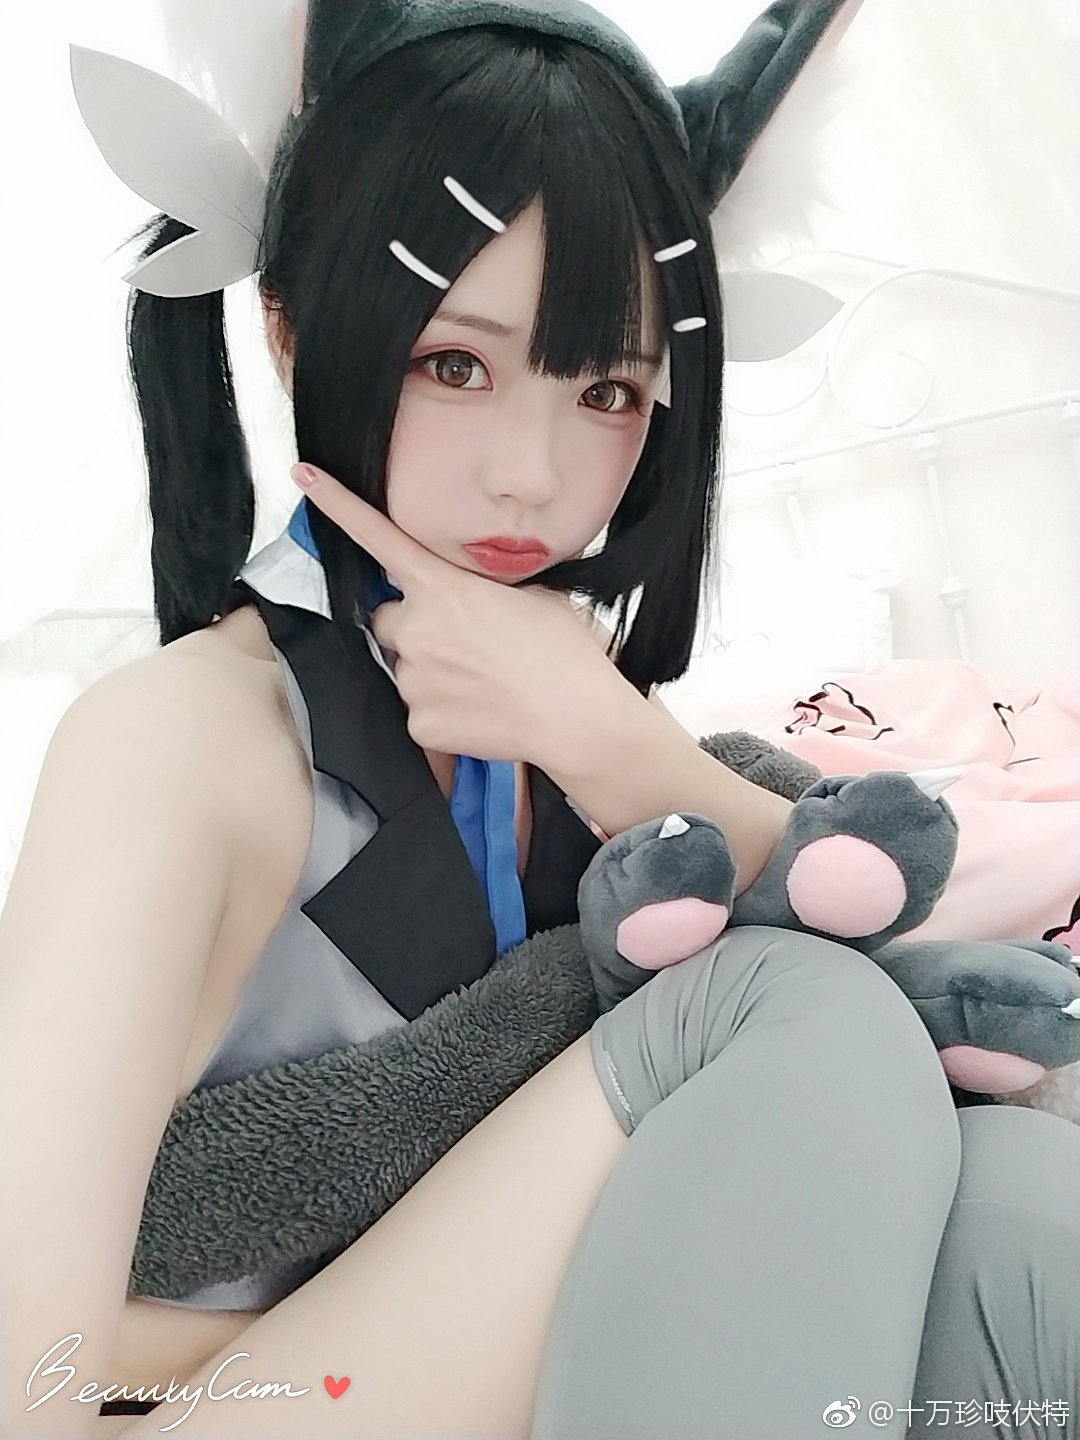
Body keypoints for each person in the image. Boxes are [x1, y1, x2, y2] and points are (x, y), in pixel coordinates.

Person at [2, 3, 1077, 1438]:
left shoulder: (568, 710)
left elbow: (859, 944)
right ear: (290, 328)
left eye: (608, 389)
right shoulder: (178, 741)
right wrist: (509, 1315)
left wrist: (612, 739)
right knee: (785, 1007)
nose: (532, 472)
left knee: (1018, 1201)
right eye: (455, 363)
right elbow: (27, 1380)